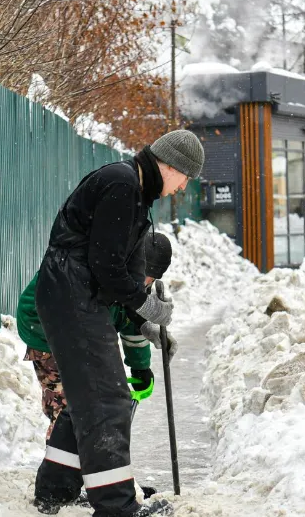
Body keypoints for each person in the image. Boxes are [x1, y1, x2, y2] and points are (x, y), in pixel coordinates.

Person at [31, 130, 204, 517]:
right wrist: (143, 302)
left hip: (74, 293)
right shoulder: (122, 184)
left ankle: (54, 491)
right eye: (185, 177)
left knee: (86, 397)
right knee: (108, 401)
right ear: (171, 165)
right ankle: (116, 506)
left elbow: (127, 266)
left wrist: (146, 315)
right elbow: (106, 265)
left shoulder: (135, 191)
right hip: (72, 293)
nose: (182, 187)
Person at [17, 232, 177, 438]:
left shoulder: (130, 278)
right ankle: (62, 466)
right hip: (44, 324)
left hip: (82, 331)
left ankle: (89, 461)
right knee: (69, 410)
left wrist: (140, 367)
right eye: (146, 273)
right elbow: (99, 315)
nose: (147, 281)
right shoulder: (98, 264)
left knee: (95, 407)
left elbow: (128, 315)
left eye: (152, 278)